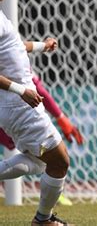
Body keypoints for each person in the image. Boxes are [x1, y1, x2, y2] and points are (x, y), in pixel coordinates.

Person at [0, 0, 71, 225]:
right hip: (19, 103)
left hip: (18, 103)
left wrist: (43, 45)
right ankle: (43, 220)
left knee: (41, 162)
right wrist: (20, 90)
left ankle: (44, 220)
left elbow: (15, 48)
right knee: (60, 161)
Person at [0, 73, 83, 207]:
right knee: (56, 160)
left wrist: (39, 49)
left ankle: (47, 204)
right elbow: (37, 87)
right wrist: (61, 117)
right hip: (14, 111)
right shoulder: (13, 56)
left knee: (42, 162)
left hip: (9, 112)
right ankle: (44, 215)